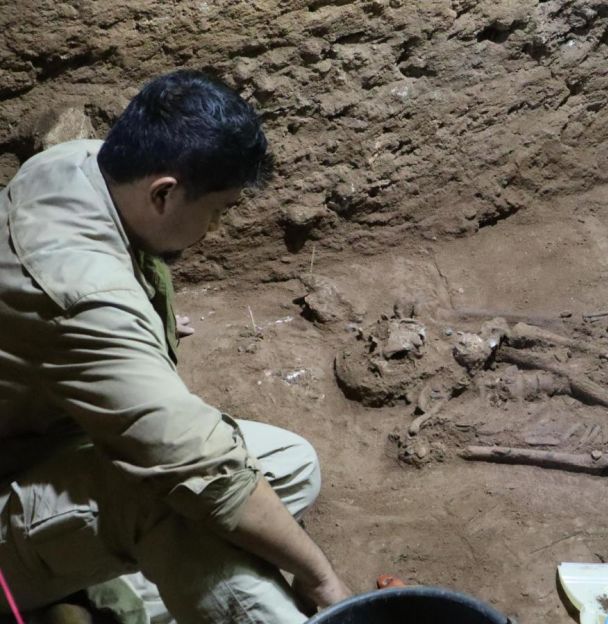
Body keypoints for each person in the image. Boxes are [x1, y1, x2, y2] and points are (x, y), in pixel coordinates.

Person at [0, 70, 350, 623]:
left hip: (48, 444)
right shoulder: (82, 292)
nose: (211, 229)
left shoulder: (81, 164)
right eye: (216, 210)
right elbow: (198, 466)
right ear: (163, 192)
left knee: (292, 464)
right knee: (176, 502)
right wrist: (324, 581)